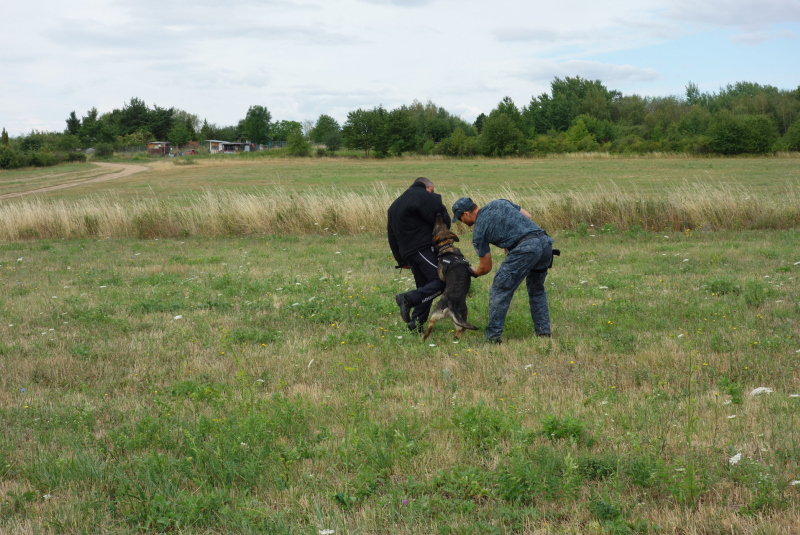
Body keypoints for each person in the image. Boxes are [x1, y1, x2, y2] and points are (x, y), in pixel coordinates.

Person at [452, 197, 554, 343]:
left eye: (460, 218)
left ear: (466, 214)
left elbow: (486, 267)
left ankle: (493, 337)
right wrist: (511, 239)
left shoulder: (479, 230)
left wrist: (473, 272)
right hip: (545, 243)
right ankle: (543, 332)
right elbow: (527, 216)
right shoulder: (498, 202)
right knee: (536, 290)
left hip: (526, 249)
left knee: (499, 290)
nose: (462, 222)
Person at [388, 177, 452, 332]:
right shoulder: (423, 195)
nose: (432, 194)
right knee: (444, 281)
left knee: (426, 287)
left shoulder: (395, 205)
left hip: (408, 252)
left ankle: (416, 325)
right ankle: (407, 299)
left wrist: (401, 258)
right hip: (421, 247)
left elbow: (391, 234)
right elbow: (442, 219)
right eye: (432, 191)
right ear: (428, 187)